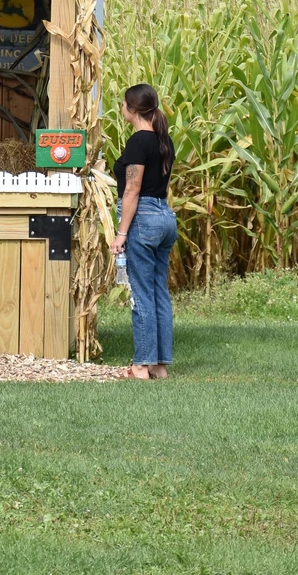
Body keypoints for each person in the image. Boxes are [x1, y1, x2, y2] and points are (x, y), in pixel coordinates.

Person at [109, 83, 177, 380]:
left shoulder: (138, 141)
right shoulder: (165, 140)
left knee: (141, 293)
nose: (121, 107)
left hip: (143, 219)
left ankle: (140, 365)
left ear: (132, 109)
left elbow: (133, 189)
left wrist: (122, 232)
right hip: (165, 216)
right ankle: (159, 365)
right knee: (158, 291)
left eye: (123, 104)